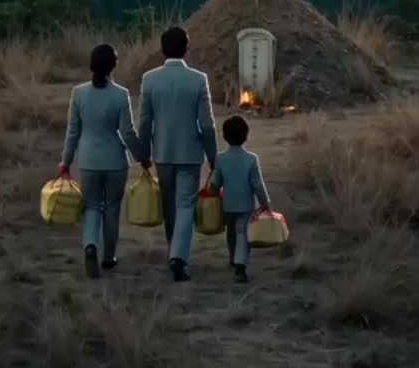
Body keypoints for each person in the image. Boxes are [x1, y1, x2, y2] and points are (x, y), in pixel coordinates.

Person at [137, 24, 217, 282]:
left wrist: (143, 153)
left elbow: (145, 122)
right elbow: (207, 125)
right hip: (190, 153)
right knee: (185, 206)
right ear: (186, 49)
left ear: (162, 49)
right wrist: (213, 155)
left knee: (170, 207)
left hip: (162, 152)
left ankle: (174, 251)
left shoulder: (149, 79)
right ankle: (178, 257)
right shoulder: (198, 80)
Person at [60, 42, 144, 280]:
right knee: (112, 209)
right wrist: (142, 157)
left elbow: (73, 133)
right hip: (115, 161)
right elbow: (127, 133)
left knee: (91, 207)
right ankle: (108, 257)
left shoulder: (78, 93)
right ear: (113, 66)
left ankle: (90, 246)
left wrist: (65, 161)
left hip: (88, 161)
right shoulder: (121, 95)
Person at [208, 112, 270, 284]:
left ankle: (233, 257)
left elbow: (216, 182)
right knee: (243, 234)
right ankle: (240, 264)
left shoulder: (221, 159)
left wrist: (212, 191)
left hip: (228, 205)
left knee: (231, 233)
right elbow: (258, 184)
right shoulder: (251, 159)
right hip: (246, 206)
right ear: (246, 135)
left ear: (224, 136)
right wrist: (265, 203)